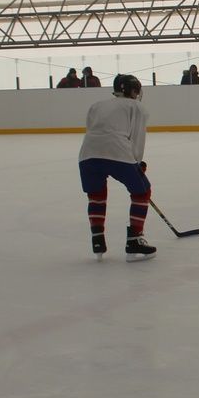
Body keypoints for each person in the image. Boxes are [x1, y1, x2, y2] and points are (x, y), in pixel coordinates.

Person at [77, 74, 154, 260]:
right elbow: (136, 138)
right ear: (133, 90)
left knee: (96, 195)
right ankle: (134, 240)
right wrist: (137, 162)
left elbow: (91, 129)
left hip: (87, 154)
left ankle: (97, 241)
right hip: (117, 153)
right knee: (142, 192)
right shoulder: (137, 107)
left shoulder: (97, 105)